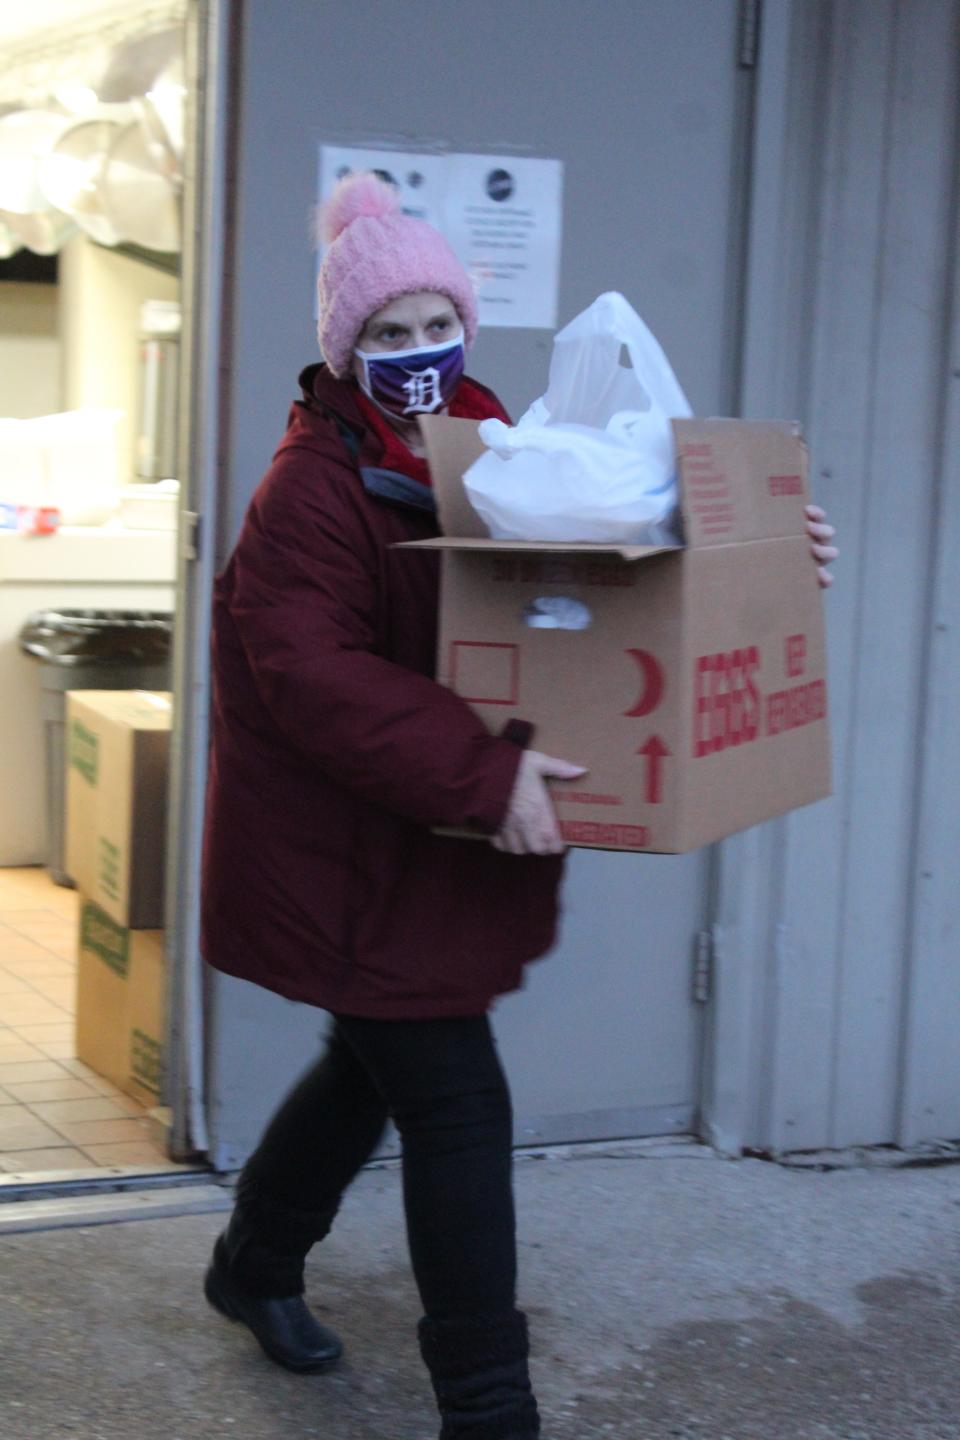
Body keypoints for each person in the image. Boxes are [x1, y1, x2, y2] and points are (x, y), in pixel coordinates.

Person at [199, 171, 838, 1439]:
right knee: (453, 1102)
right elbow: (314, 676)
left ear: (467, 329)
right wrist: (485, 775)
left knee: (369, 1067)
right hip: (346, 844)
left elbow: (602, 564)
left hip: (426, 833)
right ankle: (490, 1409)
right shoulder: (310, 491)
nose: (419, 353)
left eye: (437, 323)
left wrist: (760, 549)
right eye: (387, 333)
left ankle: (254, 1265)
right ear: (344, 346)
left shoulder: (491, 434)